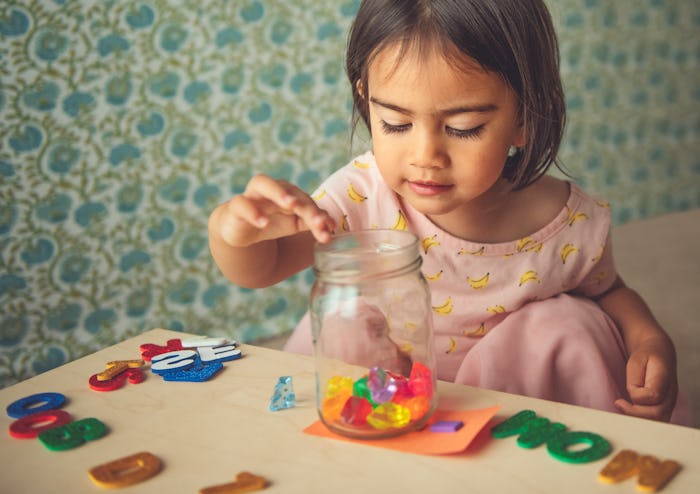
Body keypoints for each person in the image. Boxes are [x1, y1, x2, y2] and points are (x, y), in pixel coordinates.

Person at [209, 0, 691, 424]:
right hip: (386, 401)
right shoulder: (361, 198)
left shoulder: (568, 224)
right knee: (346, 322)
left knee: (567, 323)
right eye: (395, 123)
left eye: (463, 128)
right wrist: (236, 230)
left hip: (513, 403)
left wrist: (649, 339)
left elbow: (608, 290)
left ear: (525, 116)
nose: (425, 155)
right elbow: (264, 267)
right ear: (365, 99)